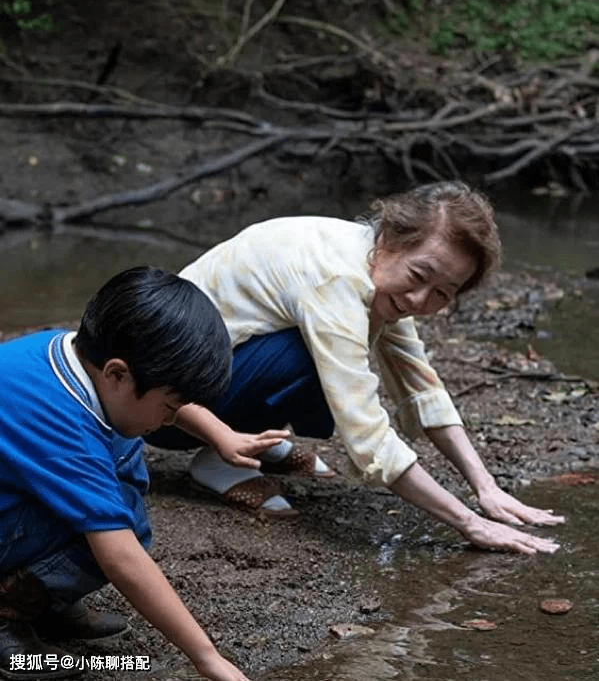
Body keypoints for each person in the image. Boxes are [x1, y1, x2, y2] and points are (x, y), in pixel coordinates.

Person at [147, 181, 564, 555]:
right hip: (161, 408)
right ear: (389, 239)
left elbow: (419, 386)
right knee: (316, 357)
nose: (420, 300)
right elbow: (367, 434)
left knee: (331, 348)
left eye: (442, 293)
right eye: (419, 275)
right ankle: (222, 458)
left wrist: (485, 486)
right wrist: (470, 523)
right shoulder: (338, 280)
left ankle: (256, 435)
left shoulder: (372, 266)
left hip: (206, 378)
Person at [0, 266, 253, 681]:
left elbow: (161, 388)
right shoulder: (63, 424)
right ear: (117, 373)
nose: (171, 419)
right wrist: (207, 658)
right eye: (169, 407)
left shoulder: (69, 351)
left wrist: (220, 434)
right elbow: (120, 556)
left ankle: (42, 600)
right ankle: (7, 617)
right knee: (122, 525)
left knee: (121, 468)